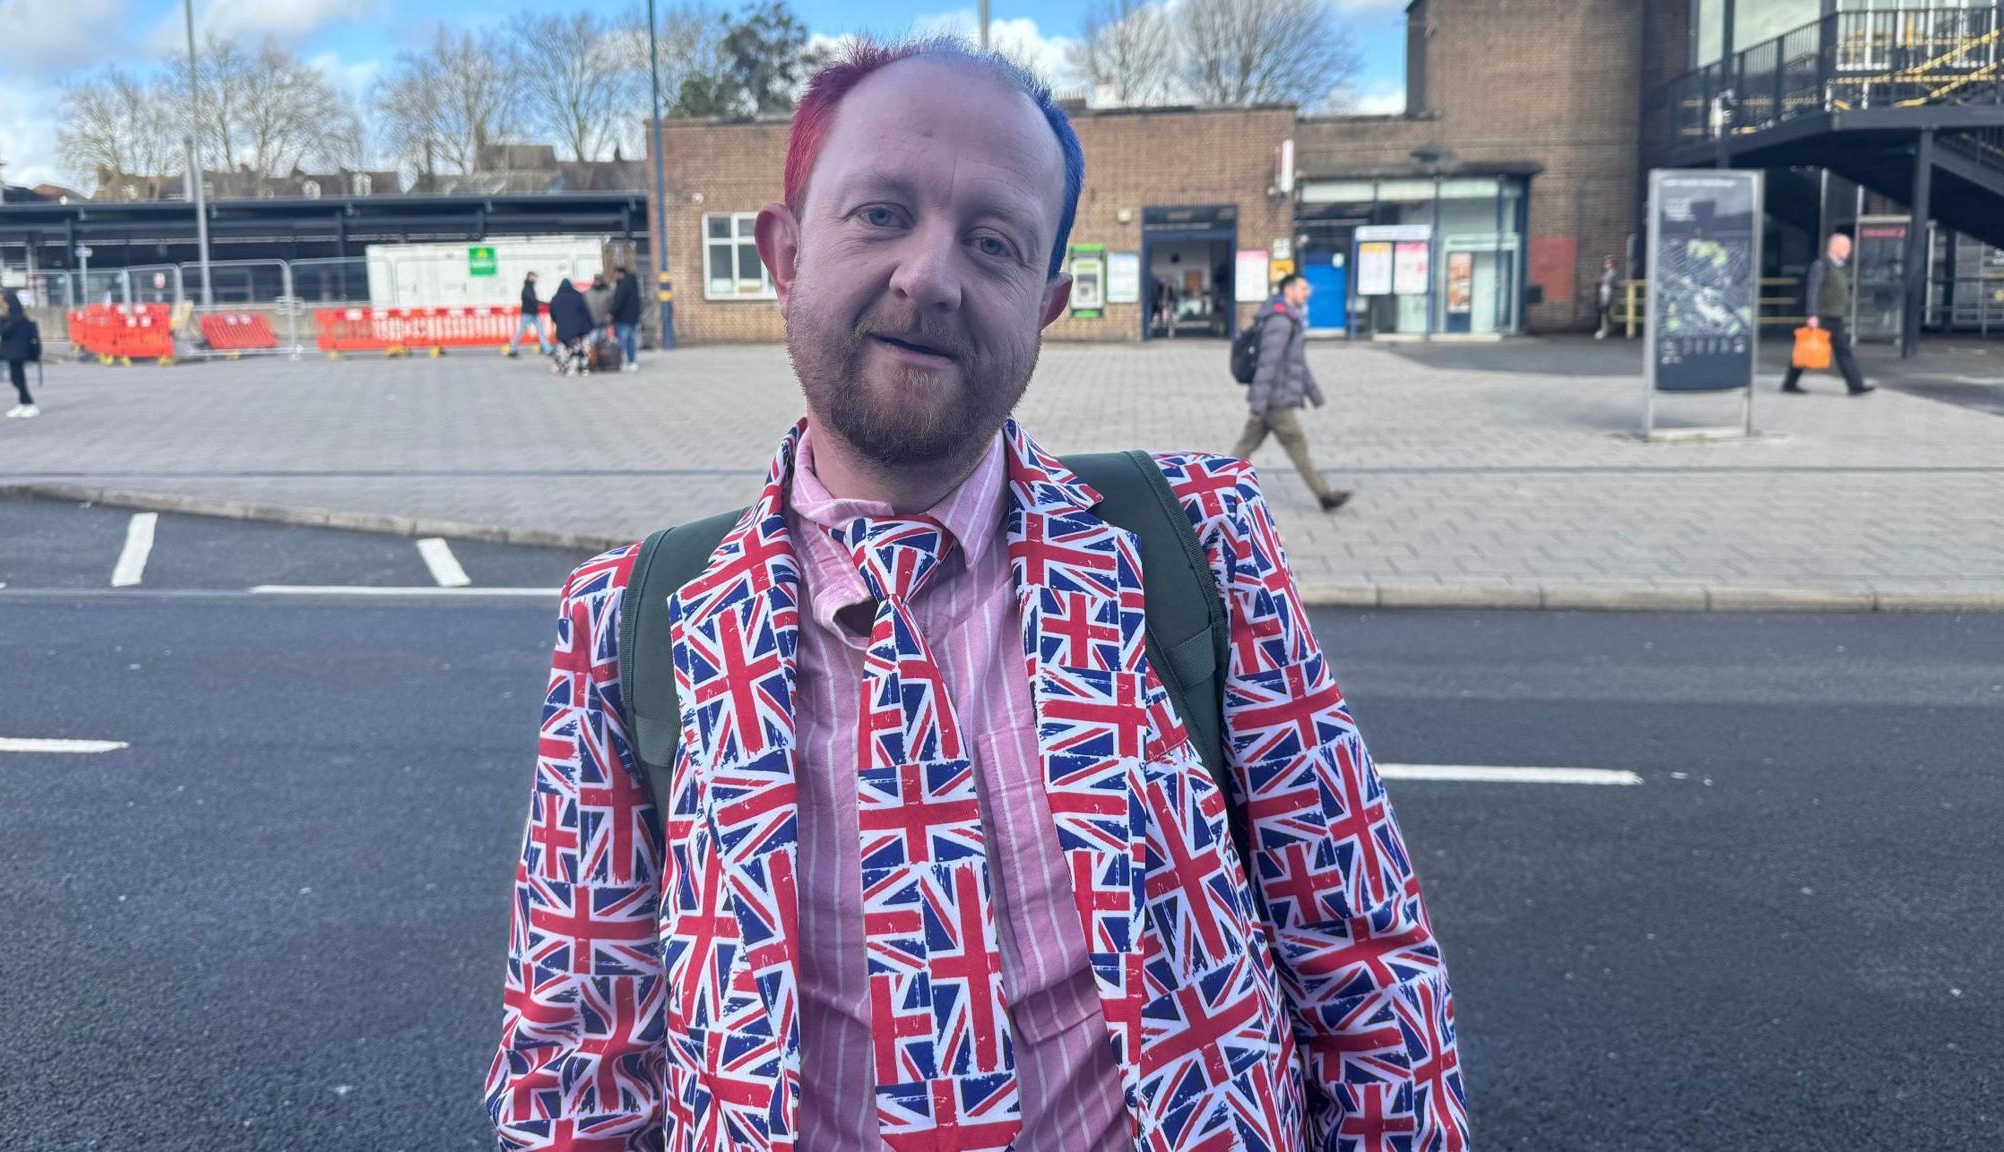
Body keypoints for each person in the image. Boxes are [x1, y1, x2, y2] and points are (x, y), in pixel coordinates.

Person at [485, 38, 1465, 1152]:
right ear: (784, 252)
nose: (929, 276)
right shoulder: (631, 619)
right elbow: (577, 1059)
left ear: (1044, 302)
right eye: (879, 215)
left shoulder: (1197, 541)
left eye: (991, 242)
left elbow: (1364, 966)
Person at [1232, 273, 1351, 511]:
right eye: (1303, 289)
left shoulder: (1287, 319)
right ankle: (1324, 494)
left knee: (1246, 446)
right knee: (1296, 444)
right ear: (1289, 290)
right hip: (1275, 400)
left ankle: (1217, 483)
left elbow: (1297, 363)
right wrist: (1259, 404)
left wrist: (1314, 394)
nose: (1308, 293)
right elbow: (1268, 363)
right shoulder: (1281, 321)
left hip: (1272, 398)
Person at [1782, 231, 1874, 395]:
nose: (1849, 250)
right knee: (1807, 348)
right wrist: (1812, 314)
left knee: (1842, 350)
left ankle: (1855, 385)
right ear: (1834, 247)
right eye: (1846, 246)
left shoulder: (1838, 267)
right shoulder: (1821, 265)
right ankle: (1789, 383)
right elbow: (1813, 290)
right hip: (1821, 316)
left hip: (1834, 317)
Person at [0, 288, 38, 419]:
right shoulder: (5, 318)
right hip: (11, 351)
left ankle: (30, 404)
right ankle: (23, 402)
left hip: (19, 351)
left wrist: (6, 323)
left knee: (19, 379)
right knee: (15, 378)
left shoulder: (20, 319)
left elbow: (5, 332)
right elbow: (1, 330)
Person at [544, 277, 593, 375]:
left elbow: (553, 315)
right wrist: (590, 325)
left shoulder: (555, 298)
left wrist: (559, 323)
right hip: (579, 330)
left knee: (564, 350)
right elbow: (586, 312)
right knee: (581, 350)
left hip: (562, 331)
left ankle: (565, 368)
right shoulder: (578, 296)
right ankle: (583, 369)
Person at [608, 263, 643, 372]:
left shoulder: (623, 285)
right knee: (631, 340)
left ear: (619, 273)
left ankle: (621, 361)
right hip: (632, 318)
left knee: (622, 341)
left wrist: (612, 313)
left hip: (623, 318)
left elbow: (619, 302)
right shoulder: (633, 283)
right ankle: (632, 361)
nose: (614, 276)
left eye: (615, 274)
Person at [514, 271, 552, 357]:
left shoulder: (530, 288)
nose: (535, 280)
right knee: (521, 332)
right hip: (527, 314)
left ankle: (547, 349)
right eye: (534, 277)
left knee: (541, 331)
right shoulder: (527, 288)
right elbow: (533, 300)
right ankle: (512, 348)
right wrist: (546, 303)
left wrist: (545, 303)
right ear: (529, 277)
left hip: (534, 314)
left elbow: (534, 301)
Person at [1595, 253, 1618, 339]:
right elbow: (1599, 282)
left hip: (1609, 295)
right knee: (1602, 312)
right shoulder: (1603, 273)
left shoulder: (1613, 273)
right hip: (1603, 294)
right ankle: (1604, 330)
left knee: (1606, 313)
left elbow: (1615, 284)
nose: (1607, 265)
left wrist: (1607, 282)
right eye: (1606, 263)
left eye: (1609, 263)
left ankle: (1609, 330)